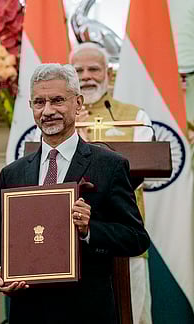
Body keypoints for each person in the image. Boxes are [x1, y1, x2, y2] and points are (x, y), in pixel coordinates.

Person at [0, 63, 150, 324]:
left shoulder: (109, 165)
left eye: (58, 100)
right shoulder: (13, 174)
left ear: (78, 103)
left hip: (86, 312)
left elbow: (136, 238)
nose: (48, 111)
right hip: (28, 312)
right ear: (30, 107)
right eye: (39, 102)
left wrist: (89, 230)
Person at [70, 42, 153, 324]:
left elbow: (139, 174)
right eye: (78, 70)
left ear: (109, 73)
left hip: (122, 236)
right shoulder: (57, 121)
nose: (86, 76)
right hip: (69, 242)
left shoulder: (135, 118)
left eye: (94, 68)